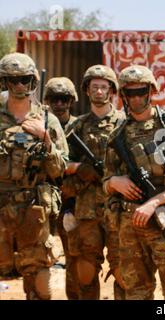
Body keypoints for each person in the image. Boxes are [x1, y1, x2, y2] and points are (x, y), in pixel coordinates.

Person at [103, 65, 165, 299]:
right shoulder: (118, 135)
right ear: (123, 95)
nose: (135, 98)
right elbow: (105, 180)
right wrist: (115, 182)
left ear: (151, 91)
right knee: (136, 291)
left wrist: (154, 202)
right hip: (131, 223)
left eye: (141, 91)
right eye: (130, 93)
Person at [0, 52, 68, 299]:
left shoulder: (47, 119)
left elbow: (60, 168)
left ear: (33, 82)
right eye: (13, 80)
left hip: (33, 209)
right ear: (4, 81)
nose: (20, 86)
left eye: (25, 80)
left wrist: (45, 138)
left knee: (40, 282)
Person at [64, 65, 126, 299]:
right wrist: (80, 168)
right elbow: (59, 164)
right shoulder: (76, 126)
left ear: (111, 91)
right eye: (94, 87)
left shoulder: (124, 123)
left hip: (119, 209)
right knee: (85, 271)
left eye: (103, 87)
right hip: (86, 211)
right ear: (87, 91)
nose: (99, 91)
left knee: (123, 270)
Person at [43, 76, 79, 299]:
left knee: (74, 257)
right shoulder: (38, 124)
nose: (59, 104)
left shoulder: (79, 126)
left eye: (63, 99)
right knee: (39, 257)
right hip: (43, 200)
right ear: (47, 100)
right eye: (54, 99)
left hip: (70, 202)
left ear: (71, 101)